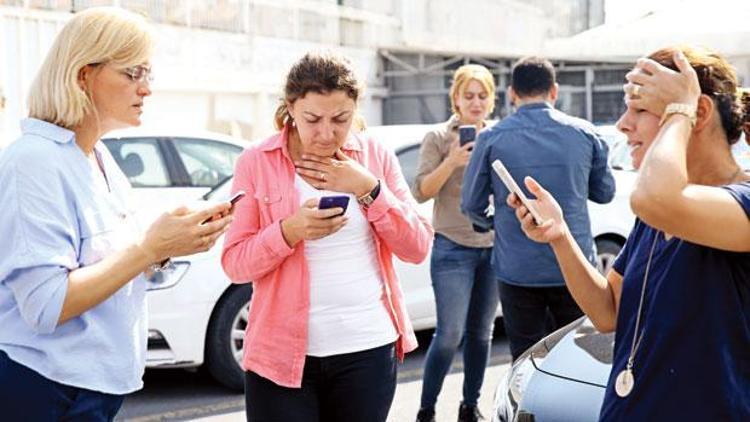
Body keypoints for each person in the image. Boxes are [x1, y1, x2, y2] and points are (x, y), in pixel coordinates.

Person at [0, 7, 233, 421]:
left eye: (148, 74)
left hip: (90, 386)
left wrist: (169, 245)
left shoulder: (97, 156)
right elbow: (46, 306)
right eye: (132, 73)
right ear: (82, 75)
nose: (146, 89)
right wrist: (149, 249)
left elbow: (110, 264)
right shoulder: (34, 161)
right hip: (47, 387)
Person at [508, 45, 749, 420]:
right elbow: (608, 312)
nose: (622, 123)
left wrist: (679, 109)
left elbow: (655, 197)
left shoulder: (738, 203)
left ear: (698, 113)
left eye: (640, 109)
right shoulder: (657, 214)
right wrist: (560, 236)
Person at [221, 51, 433, 422]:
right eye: (312, 119)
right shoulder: (256, 161)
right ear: (290, 108)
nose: (326, 132)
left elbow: (417, 247)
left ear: (355, 110)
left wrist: (368, 188)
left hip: (367, 349)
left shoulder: (374, 156)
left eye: (341, 119)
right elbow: (235, 263)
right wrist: (289, 231)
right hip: (278, 356)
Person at [461, 56, 616, 361]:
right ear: (554, 91)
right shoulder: (585, 133)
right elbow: (605, 192)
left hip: (518, 268)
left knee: (526, 360)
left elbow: (471, 205)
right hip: (575, 267)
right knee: (581, 360)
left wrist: (498, 223)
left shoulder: (491, 138)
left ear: (512, 94)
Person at [411, 64, 497, 422]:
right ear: (456, 99)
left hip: (492, 248)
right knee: (449, 335)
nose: (476, 103)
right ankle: (426, 410)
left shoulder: (498, 135)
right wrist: (453, 160)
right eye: (469, 96)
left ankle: (469, 406)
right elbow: (420, 192)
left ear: (491, 100)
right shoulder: (437, 137)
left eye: (483, 96)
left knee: (481, 334)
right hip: (452, 249)